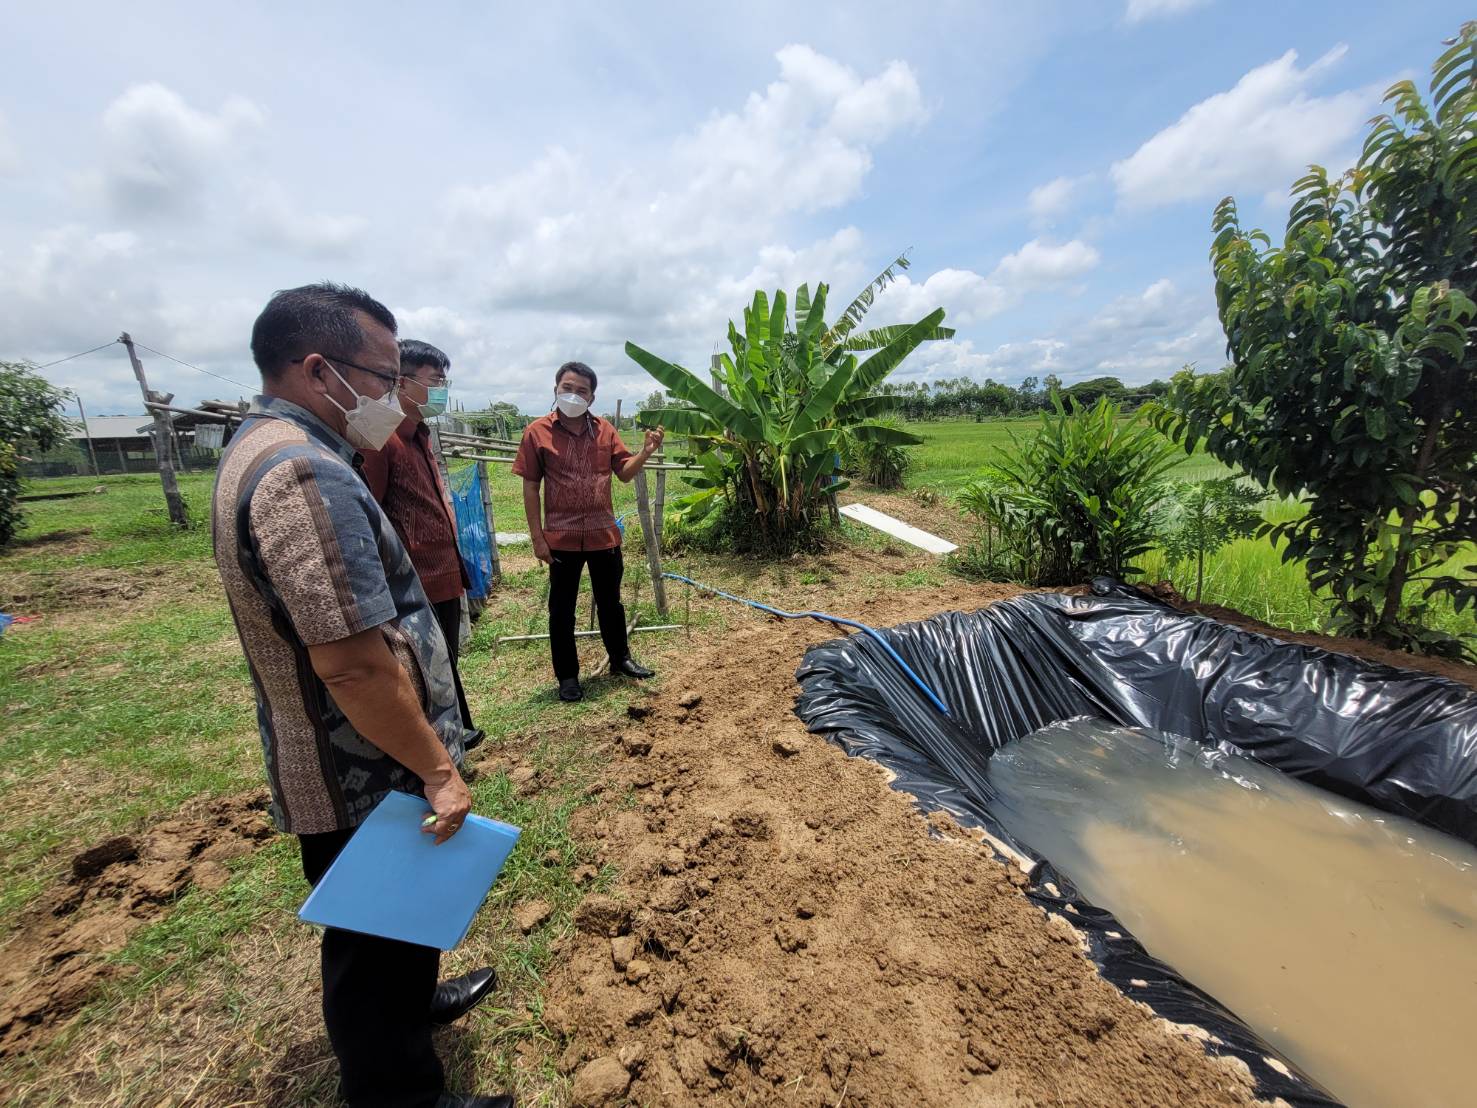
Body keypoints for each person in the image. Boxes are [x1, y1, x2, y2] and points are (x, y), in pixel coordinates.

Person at [211, 282, 510, 1108]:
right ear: (318, 370)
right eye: (382, 377)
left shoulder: (264, 447)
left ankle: (418, 1004)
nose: (393, 396)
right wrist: (438, 768)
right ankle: (398, 1091)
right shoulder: (305, 473)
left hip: (353, 750)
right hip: (361, 763)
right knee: (372, 942)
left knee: (394, 922)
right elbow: (351, 664)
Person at [512, 361, 664, 702]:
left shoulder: (605, 431)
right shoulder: (537, 433)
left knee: (611, 602)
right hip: (561, 539)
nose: (573, 394)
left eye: (581, 390)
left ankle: (621, 659)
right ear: (555, 390)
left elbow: (624, 473)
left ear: (592, 397)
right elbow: (530, 486)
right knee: (561, 609)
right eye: (567, 387)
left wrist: (646, 452)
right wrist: (537, 537)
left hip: (603, 536)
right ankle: (567, 676)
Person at [359, 339, 484, 750]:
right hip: (410, 578)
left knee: (445, 656)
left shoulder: (419, 435)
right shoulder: (381, 440)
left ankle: (457, 728)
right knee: (420, 662)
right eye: (435, 381)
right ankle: (436, 742)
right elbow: (369, 513)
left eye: (444, 381)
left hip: (441, 569)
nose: (441, 390)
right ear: (403, 382)